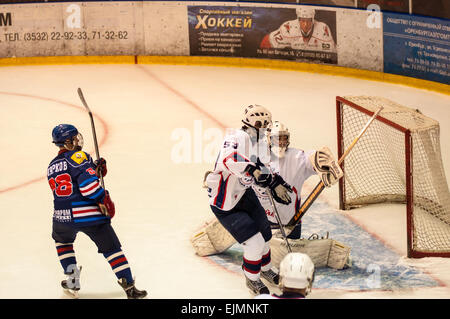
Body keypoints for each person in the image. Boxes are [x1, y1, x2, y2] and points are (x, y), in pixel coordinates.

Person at [47, 124, 147, 299]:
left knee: (63, 243)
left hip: (61, 217)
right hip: (87, 215)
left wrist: (93, 169)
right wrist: (104, 197)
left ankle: (72, 282)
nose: (78, 141)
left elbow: (73, 179)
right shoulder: (79, 156)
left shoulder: (52, 165)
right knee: (112, 249)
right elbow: (88, 188)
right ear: (68, 141)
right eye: (75, 138)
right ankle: (129, 287)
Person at [205, 105, 293, 295]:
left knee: (266, 236)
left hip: (245, 194)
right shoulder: (235, 137)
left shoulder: (260, 142)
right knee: (255, 244)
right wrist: (252, 170)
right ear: (255, 124)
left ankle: (266, 269)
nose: (266, 129)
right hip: (226, 203)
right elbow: (229, 159)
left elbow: (262, 168)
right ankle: (252, 279)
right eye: (264, 125)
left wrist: (275, 182)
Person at [253, 121, 343, 239]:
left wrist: (323, 162)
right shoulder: (257, 157)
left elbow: (310, 158)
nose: (281, 143)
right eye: (277, 139)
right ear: (269, 139)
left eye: (284, 138)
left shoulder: (295, 157)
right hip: (262, 221)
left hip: (290, 224)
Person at [260, 7, 336, 54]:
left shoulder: (323, 29)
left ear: (313, 19)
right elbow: (266, 40)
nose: (305, 24)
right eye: (302, 20)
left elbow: (333, 51)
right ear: (298, 19)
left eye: (308, 20)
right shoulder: (288, 28)